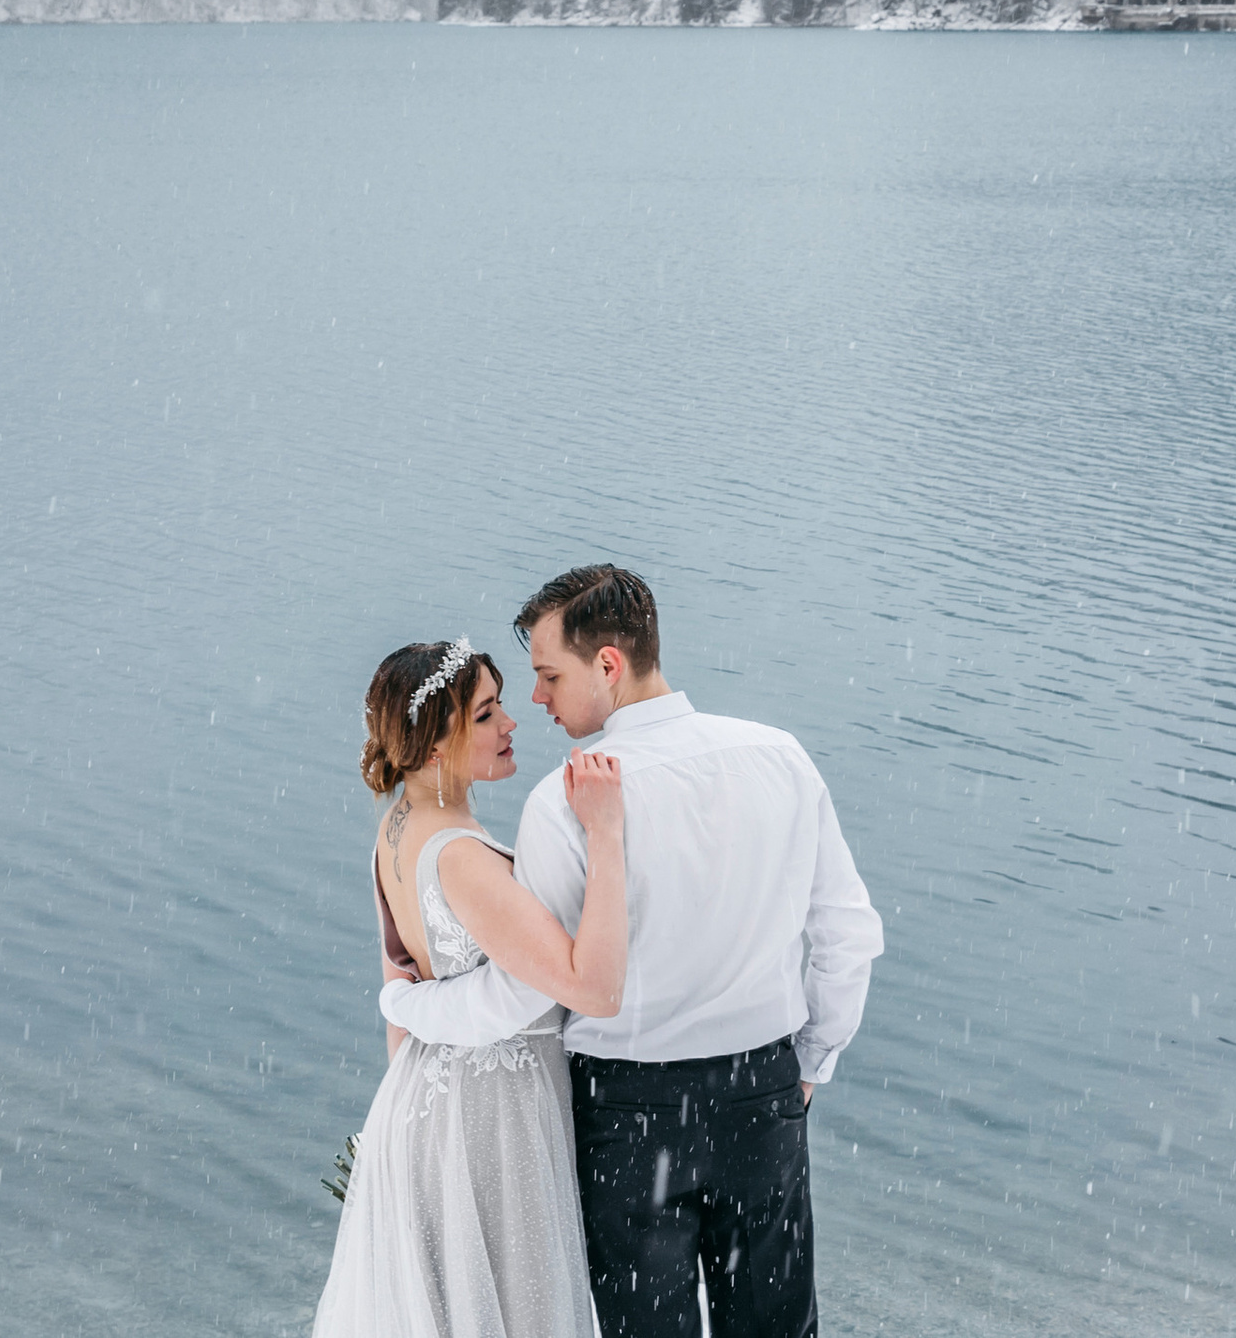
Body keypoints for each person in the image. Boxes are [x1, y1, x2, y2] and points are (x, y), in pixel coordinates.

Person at [382, 566, 883, 1338]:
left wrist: (407, 1000)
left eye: (549, 675)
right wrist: (810, 1065)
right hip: (763, 1096)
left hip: (628, 1114)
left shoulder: (563, 805)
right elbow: (847, 934)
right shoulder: (780, 757)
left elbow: (532, 990)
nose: (539, 699)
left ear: (607, 666)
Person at [313, 634, 627, 1338]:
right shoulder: (461, 858)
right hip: (493, 1116)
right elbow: (590, 988)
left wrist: (415, 1122)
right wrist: (606, 835)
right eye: (486, 715)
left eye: (503, 705)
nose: (512, 724)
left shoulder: (396, 829)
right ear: (434, 744)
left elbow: (396, 975)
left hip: (421, 1101)